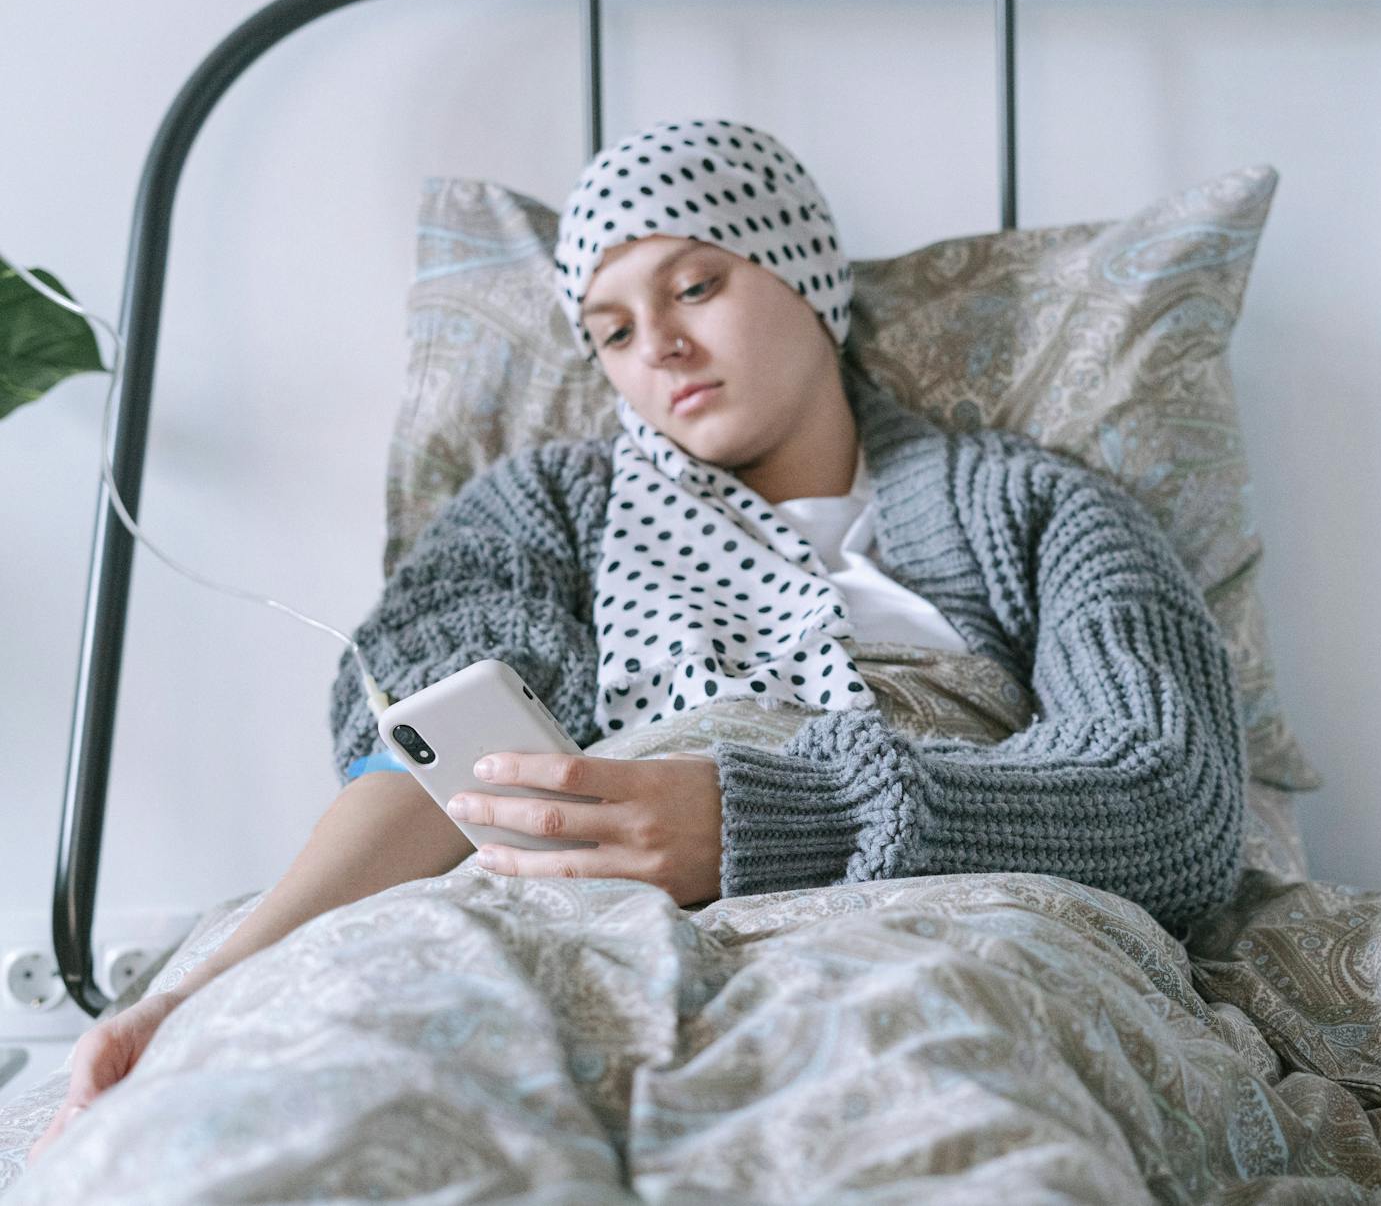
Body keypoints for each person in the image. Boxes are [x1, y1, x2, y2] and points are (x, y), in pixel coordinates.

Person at [30, 118, 1248, 1164]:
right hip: (551, 900)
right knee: (325, 1092)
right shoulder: (546, 507)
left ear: (806, 274)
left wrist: (768, 819)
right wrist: (199, 990)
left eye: (695, 284)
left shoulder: (1031, 508)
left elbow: (1171, 798)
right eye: (609, 330)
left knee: (916, 1094)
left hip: (932, 908)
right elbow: (438, 762)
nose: (654, 346)